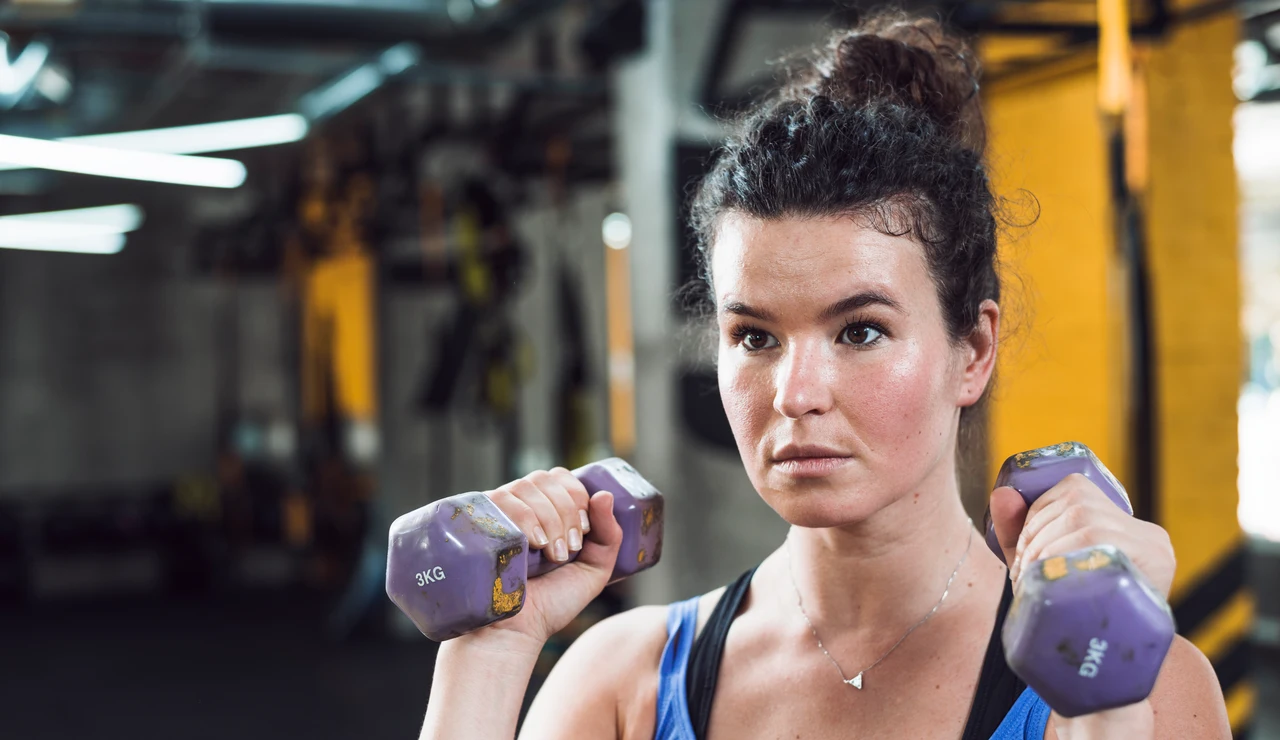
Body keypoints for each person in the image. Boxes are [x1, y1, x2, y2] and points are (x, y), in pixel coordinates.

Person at [419, 11, 1230, 740]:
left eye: (861, 330)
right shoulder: (620, 683)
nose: (793, 393)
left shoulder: (1146, 688)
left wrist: (1104, 704)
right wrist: (491, 652)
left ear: (973, 352)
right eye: (755, 336)